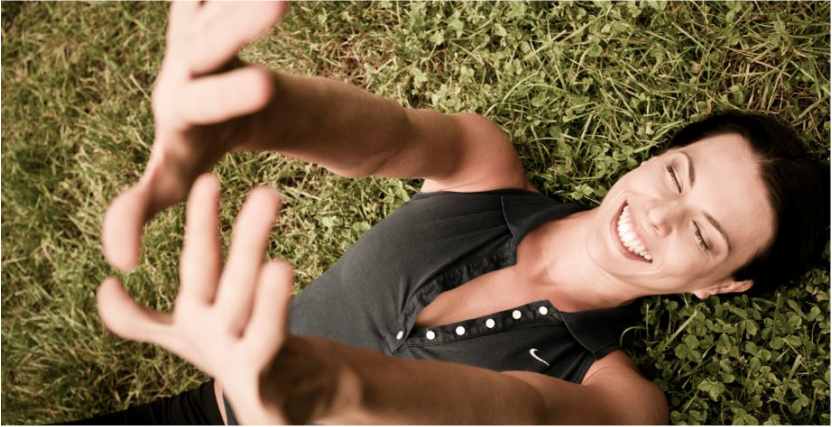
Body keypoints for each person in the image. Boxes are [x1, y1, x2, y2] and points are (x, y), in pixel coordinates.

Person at [71, 0, 829, 425]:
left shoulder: (623, 401)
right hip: (202, 410)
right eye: (675, 174)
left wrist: (337, 390)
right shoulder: (484, 169)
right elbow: (385, 138)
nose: (660, 214)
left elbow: (522, 413)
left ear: (720, 284)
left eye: (703, 233)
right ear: (652, 157)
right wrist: (257, 112)